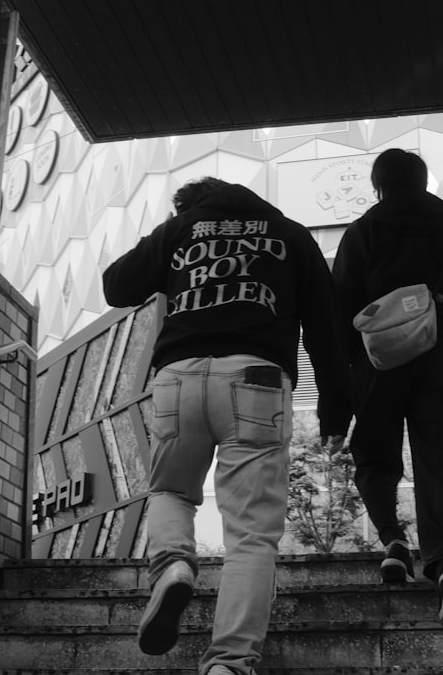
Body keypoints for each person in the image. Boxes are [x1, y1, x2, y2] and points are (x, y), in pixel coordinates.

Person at [102, 176, 352, 675]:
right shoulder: (292, 235)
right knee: (251, 535)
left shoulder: (180, 231)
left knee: (171, 490)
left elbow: (116, 285)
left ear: (192, 206)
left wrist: (179, 236)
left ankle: (172, 564)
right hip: (255, 379)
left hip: (178, 377)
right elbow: (328, 331)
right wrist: (335, 413)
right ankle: (229, 663)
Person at [330, 149, 443, 619]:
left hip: (379, 360)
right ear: (424, 182)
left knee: (375, 456)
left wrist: (346, 369)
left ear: (378, 187)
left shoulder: (362, 233)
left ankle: (393, 541)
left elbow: (340, 306)